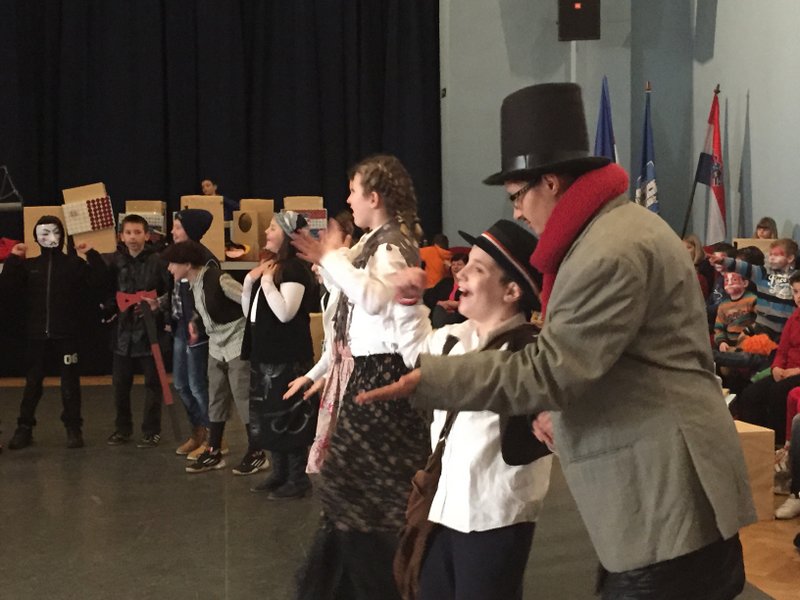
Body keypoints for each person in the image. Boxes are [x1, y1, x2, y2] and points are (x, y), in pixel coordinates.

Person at [357, 84, 755, 600]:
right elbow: (613, 362)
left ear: (550, 181)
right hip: (661, 493)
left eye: (517, 196)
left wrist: (431, 379)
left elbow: (550, 370)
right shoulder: (612, 232)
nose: (519, 213)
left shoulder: (608, 249)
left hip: (668, 495)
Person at [291, 154, 431, 600]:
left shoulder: (390, 247)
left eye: (353, 192)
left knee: (363, 488)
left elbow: (372, 299)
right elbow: (351, 288)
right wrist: (330, 260)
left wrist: (331, 258)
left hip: (384, 374)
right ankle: (351, 582)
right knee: (354, 487)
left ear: (374, 197)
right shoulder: (376, 241)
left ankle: (379, 582)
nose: (348, 200)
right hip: (370, 371)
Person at [410, 220, 553, 600]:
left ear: (511, 291)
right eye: (465, 264)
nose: (460, 273)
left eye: (477, 269)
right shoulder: (452, 339)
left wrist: (547, 418)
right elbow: (406, 348)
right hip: (443, 511)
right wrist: (406, 300)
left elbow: (554, 412)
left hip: (495, 518)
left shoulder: (530, 354)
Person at [2, 216, 107, 449]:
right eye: (44, 232)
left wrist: (92, 254)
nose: (50, 237)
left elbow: (100, 281)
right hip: (36, 336)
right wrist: (12, 260)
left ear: (62, 236)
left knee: (70, 384)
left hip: (66, 334)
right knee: (32, 383)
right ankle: (24, 428)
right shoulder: (29, 266)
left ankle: (73, 428)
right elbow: (7, 288)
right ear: (36, 237)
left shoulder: (74, 264)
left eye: (55, 232)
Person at [161, 240, 263, 475]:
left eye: (173, 263)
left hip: (237, 341)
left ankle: (257, 452)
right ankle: (213, 450)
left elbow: (248, 300)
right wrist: (195, 322)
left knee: (243, 396)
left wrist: (255, 334)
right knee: (215, 396)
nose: (169, 268)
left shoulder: (218, 278)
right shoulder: (191, 284)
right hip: (216, 344)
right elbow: (204, 309)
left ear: (187, 264)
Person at [244, 211, 318, 498]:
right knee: (270, 415)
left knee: (289, 415)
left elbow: (286, 312)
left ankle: (297, 478)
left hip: (287, 356)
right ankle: (279, 472)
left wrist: (266, 283)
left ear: (287, 235)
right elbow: (252, 314)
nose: (266, 232)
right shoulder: (273, 267)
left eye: (273, 228)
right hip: (267, 355)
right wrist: (249, 283)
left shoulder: (293, 269)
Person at [106, 214, 171, 448]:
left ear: (147, 235)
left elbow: (171, 291)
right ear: (121, 236)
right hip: (123, 331)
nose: (133, 237)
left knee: (153, 383)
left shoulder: (159, 261)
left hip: (150, 329)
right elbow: (107, 291)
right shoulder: (116, 262)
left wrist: (158, 306)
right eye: (128, 233)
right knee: (120, 384)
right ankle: (122, 429)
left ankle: (151, 431)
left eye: (137, 232)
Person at [169, 209, 218, 457]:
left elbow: (209, 297)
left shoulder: (207, 260)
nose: (173, 232)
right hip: (181, 327)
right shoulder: (178, 256)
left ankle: (214, 437)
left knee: (198, 384)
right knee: (181, 383)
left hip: (197, 331)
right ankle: (197, 429)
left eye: (178, 227)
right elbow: (177, 294)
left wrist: (196, 321)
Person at [732, 272, 800, 446]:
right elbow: (782, 350)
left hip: (797, 372)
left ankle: (777, 445)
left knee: (777, 393)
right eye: (795, 292)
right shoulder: (794, 317)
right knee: (750, 394)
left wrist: (795, 371)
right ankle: (754, 443)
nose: (798, 297)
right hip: (785, 371)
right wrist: (776, 367)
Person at [709, 238, 797, 342]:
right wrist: (724, 261)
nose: (772, 258)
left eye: (776, 255)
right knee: (752, 347)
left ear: (790, 258)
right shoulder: (763, 273)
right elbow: (743, 266)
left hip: (787, 328)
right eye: (770, 255)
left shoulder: (796, 278)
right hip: (763, 325)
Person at [423, 252, 468, 328]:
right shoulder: (445, 282)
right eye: (453, 264)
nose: (455, 267)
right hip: (440, 314)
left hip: (460, 318)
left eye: (459, 264)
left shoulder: (471, 285)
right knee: (438, 309)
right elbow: (428, 296)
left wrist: (457, 304)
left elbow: (476, 303)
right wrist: (440, 303)